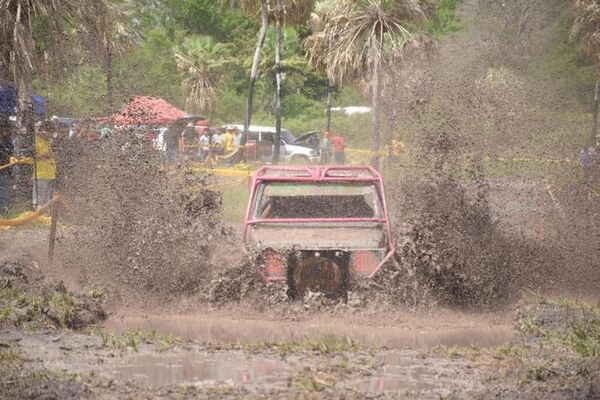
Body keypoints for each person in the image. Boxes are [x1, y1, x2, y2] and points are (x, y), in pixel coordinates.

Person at [33, 124, 56, 209]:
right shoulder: (36, 141)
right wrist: (45, 155)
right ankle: (38, 213)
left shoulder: (47, 142)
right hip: (40, 174)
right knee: (40, 198)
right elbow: (32, 156)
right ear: (44, 131)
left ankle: (45, 213)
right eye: (51, 133)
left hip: (49, 174)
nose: (52, 135)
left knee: (46, 198)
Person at [0, 120, 14, 215]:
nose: (6, 130)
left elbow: (11, 153)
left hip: (5, 170)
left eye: (7, 128)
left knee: (5, 191)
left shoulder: (8, 141)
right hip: (3, 168)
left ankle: (4, 209)